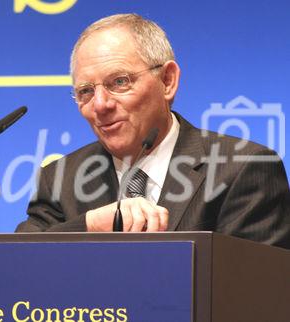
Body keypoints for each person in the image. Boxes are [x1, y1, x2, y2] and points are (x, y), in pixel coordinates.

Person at [15, 13, 290, 249]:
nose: (100, 105)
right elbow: (14, 262)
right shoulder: (60, 178)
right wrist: (89, 226)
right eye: (86, 91)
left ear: (167, 81)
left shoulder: (242, 169)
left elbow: (254, 292)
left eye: (119, 82)